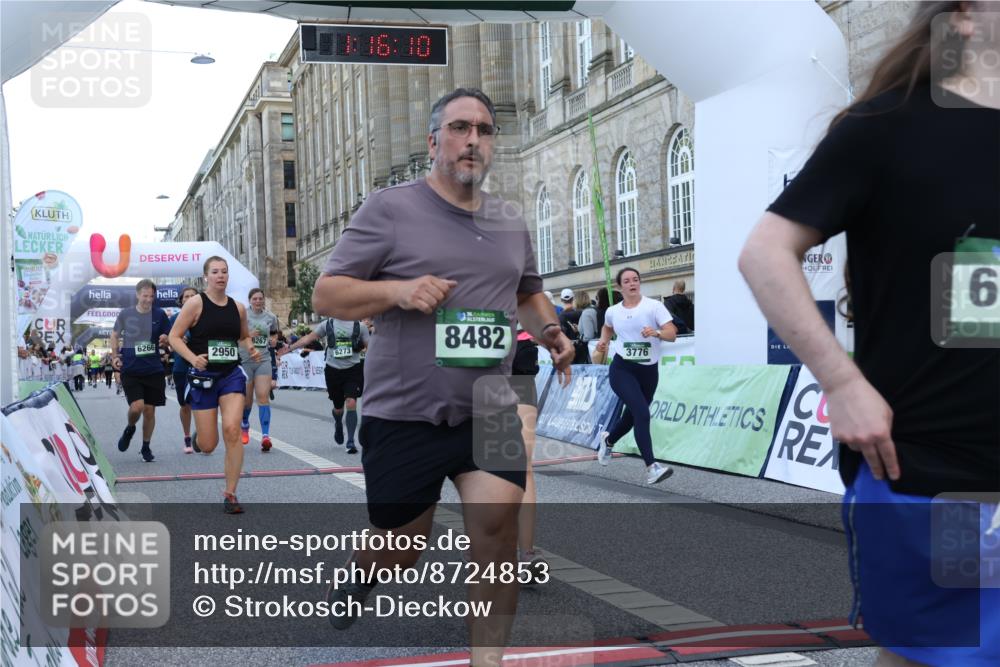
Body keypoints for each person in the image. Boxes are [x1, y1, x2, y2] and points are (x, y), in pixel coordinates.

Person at [739, 4, 1000, 666]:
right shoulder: (888, 127)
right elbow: (765, 253)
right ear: (964, 18)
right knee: (937, 656)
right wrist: (842, 381)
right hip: (937, 475)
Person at [311, 87, 573, 663]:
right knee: (402, 548)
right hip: (406, 413)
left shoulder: (509, 221)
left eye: (482, 128)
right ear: (435, 142)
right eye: (459, 127)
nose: (472, 138)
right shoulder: (389, 209)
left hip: (491, 405)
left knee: (498, 533)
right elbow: (326, 293)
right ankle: (362, 574)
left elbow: (527, 291)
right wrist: (398, 290)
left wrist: (551, 329)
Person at [169, 257, 261, 514]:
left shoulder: (238, 308)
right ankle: (199, 437)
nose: (220, 275)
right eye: (215, 272)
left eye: (224, 271)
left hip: (231, 374)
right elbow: (175, 337)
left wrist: (251, 348)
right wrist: (192, 358)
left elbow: (242, 335)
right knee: (208, 445)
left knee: (232, 430)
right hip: (204, 377)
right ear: (206, 276)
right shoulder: (196, 303)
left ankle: (230, 493)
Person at [595, 267, 677, 484]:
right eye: (627, 281)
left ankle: (609, 440)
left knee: (631, 417)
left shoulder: (654, 306)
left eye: (636, 280)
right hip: (623, 369)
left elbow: (672, 334)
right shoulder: (613, 311)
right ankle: (652, 468)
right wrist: (603, 342)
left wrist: (657, 332)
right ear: (619, 287)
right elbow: (607, 328)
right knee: (641, 413)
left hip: (649, 372)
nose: (632, 284)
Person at [278, 316, 369, 454]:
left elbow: (371, 346)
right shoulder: (327, 324)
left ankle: (351, 441)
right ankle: (338, 422)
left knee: (351, 402)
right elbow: (308, 338)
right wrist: (290, 348)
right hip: (333, 370)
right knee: (338, 408)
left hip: (353, 369)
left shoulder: (360, 326)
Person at [111, 279, 172, 463]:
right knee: (137, 407)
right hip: (131, 369)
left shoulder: (159, 314)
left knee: (150, 411)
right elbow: (114, 335)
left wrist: (165, 338)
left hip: (153, 370)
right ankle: (130, 427)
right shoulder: (126, 314)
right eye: (145, 296)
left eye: (151, 296)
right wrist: (115, 356)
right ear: (137, 295)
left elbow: (170, 336)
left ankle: (146, 446)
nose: (148, 300)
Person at [239, 288, 281, 452]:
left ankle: (265, 436)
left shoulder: (270, 317)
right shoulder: (243, 316)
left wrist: (273, 340)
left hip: (263, 359)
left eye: (260, 299)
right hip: (246, 360)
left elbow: (274, 335)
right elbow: (235, 338)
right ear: (249, 300)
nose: (258, 301)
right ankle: (244, 424)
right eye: (254, 299)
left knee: (263, 397)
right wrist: (249, 334)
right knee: (247, 401)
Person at [169, 287, 199, 454]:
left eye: (193, 296)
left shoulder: (205, 318)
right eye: (186, 296)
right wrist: (174, 340)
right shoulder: (174, 319)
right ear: (181, 301)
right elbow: (168, 340)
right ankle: (187, 436)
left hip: (201, 365)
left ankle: (202, 434)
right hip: (181, 367)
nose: (189, 298)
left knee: (201, 401)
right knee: (185, 404)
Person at [559, 289, 592, 364]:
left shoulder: (560, 317)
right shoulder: (582, 313)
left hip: (568, 350)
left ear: (561, 300)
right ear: (573, 298)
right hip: (583, 348)